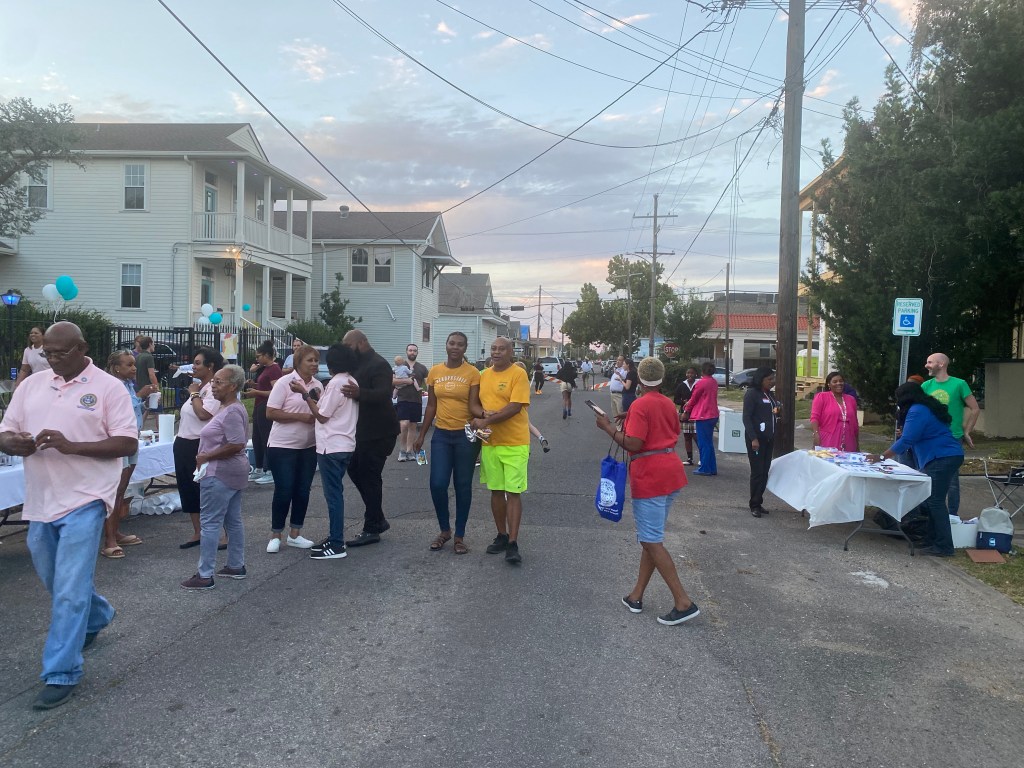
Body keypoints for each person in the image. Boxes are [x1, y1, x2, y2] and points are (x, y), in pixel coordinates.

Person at [0, 321, 137, 710]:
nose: (52, 359)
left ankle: (62, 671)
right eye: (47, 353)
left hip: (87, 497)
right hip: (42, 499)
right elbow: (5, 431)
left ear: (82, 348)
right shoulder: (32, 385)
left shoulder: (108, 387)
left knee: (69, 586)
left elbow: (127, 442)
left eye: (60, 353)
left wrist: (72, 445)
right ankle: (98, 614)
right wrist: (12, 442)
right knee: (53, 577)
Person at [594, 357, 700, 626]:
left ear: (639, 378)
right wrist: (630, 417)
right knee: (651, 538)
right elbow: (665, 428)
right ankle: (636, 595)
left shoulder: (640, 404)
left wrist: (608, 427)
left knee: (651, 541)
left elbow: (633, 443)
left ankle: (683, 601)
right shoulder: (666, 402)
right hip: (670, 471)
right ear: (661, 379)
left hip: (651, 475)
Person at [869, 381, 965, 557]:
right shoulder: (925, 407)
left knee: (935, 501)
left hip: (941, 456)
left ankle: (944, 546)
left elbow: (907, 440)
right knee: (930, 500)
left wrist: (881, 457)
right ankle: (931, 539)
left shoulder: (917, 410)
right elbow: (919, 433)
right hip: (947, 455)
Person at [413, 331, 483, 554]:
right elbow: (431, 406)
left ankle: (459, 536)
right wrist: (422, 435)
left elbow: (473, 405)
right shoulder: (435, 372)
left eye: (460, 344)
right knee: (438, 484)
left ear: (465, 349)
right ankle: (445, 530)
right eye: (452, 343)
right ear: (446, 345)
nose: (455, 347)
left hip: (465, 436)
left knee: (462, 485)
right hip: (441, 435)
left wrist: (488, 416)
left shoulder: (473, 373)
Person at [180, 365, 250, 589]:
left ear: (233, 386)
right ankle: (235, 565)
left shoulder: (231, 411)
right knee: (232, 520)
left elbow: (237, 443)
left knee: (210, 522)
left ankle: (204, 574)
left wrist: (207, 456)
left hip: (220, 472)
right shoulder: (229, 408)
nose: (213, 386)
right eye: (214, 381)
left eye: (219, 382)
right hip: (230, 472)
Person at [471, 337, 531, 565]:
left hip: (515, 442)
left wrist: (487, 420)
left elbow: (515, 407)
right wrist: (482, 415)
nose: (496, 352)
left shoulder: (518, 374)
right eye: (493, 349)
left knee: (513, 492)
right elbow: (474, 404)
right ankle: (502, 535)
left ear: (510, 352)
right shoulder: (483, 375)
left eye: (501, 349)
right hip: (490, 442)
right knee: (496, 490)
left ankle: (513, 543)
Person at [298, 344, 360, 560]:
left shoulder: (335, 383)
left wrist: (305, 396)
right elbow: (332, 410)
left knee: (333, 495)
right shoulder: (351, 381)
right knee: (335, 493)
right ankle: (334, 537)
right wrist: (317, 398)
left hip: (331, 445)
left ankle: (336, 543)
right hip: (345, 443)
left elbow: (322, 416)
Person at [341, 329, 401, 548]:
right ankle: (377, 517)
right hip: (362, 432)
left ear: (361, 343)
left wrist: (359, 393)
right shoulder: (356, 364)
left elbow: (383, 393)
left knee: (370, 476)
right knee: (355, 470)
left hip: (380, 432)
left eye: (349, 346)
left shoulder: (379, 364)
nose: (347, 351)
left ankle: (372, 527)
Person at [100, 350, 159, 558]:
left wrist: (145, 403)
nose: (134, 368)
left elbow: (133, 409)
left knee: (122, 489)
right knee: (115, 491)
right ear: (116, 368)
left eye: (134, 364)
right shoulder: (110, 385)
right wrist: (141, 395)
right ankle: (109, 539)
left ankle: (115, 531)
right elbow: (119, 408)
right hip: (118, 441)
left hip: (131, 437)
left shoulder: (127, 384)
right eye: (129, 365)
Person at [265, 344, 322, 553]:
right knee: (284, 489)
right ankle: (275, 534)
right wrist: (300, 417)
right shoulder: (285, 383)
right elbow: (270, 412)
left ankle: (295, 533)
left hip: (309, 446)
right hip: (283, 446)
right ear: (298, 362)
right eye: (310, 360)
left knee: (303, 490)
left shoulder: (318, 385)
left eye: (316, 360)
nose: (314, 364)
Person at [175, 347, 226, 549]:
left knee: (208, 490)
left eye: (197, 363)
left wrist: (194, 393)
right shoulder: (199, 387)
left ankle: (224, 533)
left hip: (200, 444)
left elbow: (204, 414)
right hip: (184, 442)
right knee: (188, 488)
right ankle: (198, 532)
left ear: (210, 366)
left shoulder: (213, 389)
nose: (194, 367)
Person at [923, 352, 980, 519]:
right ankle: (930, 515)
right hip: (930, 438)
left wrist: (967, 431)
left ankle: (952, 517)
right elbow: (918, 410)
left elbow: (975, 409)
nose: (926, 365)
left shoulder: (959, 384)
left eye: (930, 362)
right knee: (928, 477)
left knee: (952, 480)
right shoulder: (926, 386)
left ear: (941, 364)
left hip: (952, 437)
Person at [243, 340, 283, 484]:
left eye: (259, 356)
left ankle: (270, 470)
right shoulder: (266, 368)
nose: (257, 359)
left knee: (266, 438)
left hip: (266, 405)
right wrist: (254, 385)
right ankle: (259, 468)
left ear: (267, 355)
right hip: (259, 405)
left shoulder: (274, 369)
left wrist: (257, 392)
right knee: (257, 438)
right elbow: (264, 385)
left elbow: (277, 391)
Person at [742, 368, 780, 518]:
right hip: (756, 440)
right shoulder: (752, 394)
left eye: (773, 379)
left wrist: (778, 410)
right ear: (760, 379)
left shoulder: (770, 395)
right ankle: (754, 505)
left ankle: (759, 500)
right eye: (769, 379)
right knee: (757, 472)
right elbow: (746, 418)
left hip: (768, 438)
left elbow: (772, 411)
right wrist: (754, 438)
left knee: (765, 472)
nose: (772, 382)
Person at [681, 361, 720, 476]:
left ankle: (705, 468)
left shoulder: (701, 383)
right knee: (709, 443)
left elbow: (694, 399)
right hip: (713, 414)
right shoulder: (713, 382)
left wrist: (686, 410)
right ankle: (711, 467)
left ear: (702, 371)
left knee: (704, 443)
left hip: (703, 415)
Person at [394, 343, 428, 462]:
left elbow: (427, 383)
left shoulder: (422, 368)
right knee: (404, 424)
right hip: (403, 398)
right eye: (410, 350)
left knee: (413, 425)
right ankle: (402, 450)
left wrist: (429, 392)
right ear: (406, 352)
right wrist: (406, 381)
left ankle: (409, 451)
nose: (412, 352)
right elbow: (392, 381)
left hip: (416, 400)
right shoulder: (400, 365)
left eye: (414, 350)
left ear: (417, 352)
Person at [810, 371, 860, 451]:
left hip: (849, 440)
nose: (839, 383)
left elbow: (855, 423)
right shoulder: (822, 397)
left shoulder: (851, 399)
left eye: (841, 381)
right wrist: (816, 434)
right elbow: (814, 418)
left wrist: (857, 444)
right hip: (829, 439)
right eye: (835, 381)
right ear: (829, 384)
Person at [673, 366, 698, 465]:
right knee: (687, 436)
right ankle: (689, 458)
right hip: (685, 414)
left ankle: (702, 458)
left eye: (692, 373)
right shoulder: (682, 385)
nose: (690, 375)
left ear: (696, 374)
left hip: (696, 413)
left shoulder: (698, 384)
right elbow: (676, 399)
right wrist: (683, 402)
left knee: (696, 436)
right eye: (688, 373)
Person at [13, 325, 50, 390]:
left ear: (43, 336)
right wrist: (17, 386)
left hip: (50, 382)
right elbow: (24, 370)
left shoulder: (49, 349)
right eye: (31, 333)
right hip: (36, 383)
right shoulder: (28, 350)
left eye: (36, 333)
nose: (33, 335)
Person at [135, 336, 161, 423]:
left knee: (144, 410)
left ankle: (138, 428)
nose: (154, 346)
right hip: (150, 388)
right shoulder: (149, 357)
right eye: (153, 343)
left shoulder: (138, 356)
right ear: (150, 344)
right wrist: (156, 387)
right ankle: (160, 430)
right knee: (158, 412)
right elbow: (151, 374)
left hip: (140, 388)